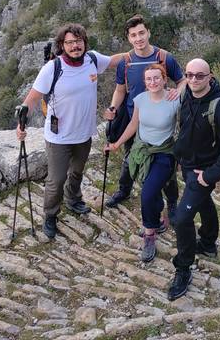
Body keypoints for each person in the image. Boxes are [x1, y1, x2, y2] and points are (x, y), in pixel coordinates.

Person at [16, 23, 123, 239]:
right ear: (62, 45)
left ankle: (73, 200)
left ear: (84, 42)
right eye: (70, 42)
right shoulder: (52, 68)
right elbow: (33, 98)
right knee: (55, 180)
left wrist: (142, 51)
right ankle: (50, 215)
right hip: (58, 137)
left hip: (84, 133)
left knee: (77, 172)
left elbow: (114, 60)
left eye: (78, 41)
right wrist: (21, 123)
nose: (75, 46)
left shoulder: (92, 60)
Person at [167, 58, 220, 301]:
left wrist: (209, 175)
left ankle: (183, 267)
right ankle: (208, 243)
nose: (193, 79)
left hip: (203, 171)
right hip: (188, 165)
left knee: (181, 218)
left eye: (199, 76)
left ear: (210, 77)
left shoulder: (219, 107)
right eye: (189, 74)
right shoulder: (187, 94)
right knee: (204, 203)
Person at [103, 14, 186, 221]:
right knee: (130, 160)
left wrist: (178, 90)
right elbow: (120, 90)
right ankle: (124, 190)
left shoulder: (164, 57)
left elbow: (182, 80)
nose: (138, 38)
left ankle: (172, 203)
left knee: (166, 170)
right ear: (128, 38)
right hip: (134, 118)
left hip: (160, 123)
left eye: (141, 33)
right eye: (133, 35)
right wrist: (113, 107)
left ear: (148, 32)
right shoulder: (126, 62)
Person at [105, 64, 179, 262]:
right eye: (149, 79)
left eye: (157, 78)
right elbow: (133, 124)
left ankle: (149, 234)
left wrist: (179, 88)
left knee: (147, 193)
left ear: (164, 79)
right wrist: (116, 144)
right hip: (142, 152)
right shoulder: (140, 99)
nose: (153, 82)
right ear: (145, 82)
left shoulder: (174, 100)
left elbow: (191, 84)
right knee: (150, 190)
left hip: (164, 153)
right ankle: (159, 221)